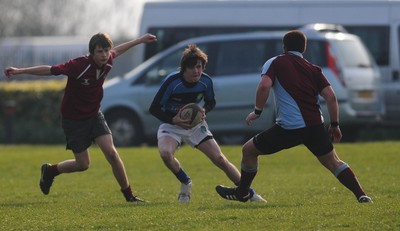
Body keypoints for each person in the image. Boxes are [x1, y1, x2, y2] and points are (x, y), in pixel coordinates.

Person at [215, 30, 373, 203]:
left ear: (284, 46)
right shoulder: (314, 69)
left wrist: (257, 112)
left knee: (248, 150)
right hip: (315, 127)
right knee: (333, 162)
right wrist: (334, 125)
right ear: (303, 49)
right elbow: (331, 96)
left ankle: (243, 192)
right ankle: (361, 195)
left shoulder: (275, 62)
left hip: (289, 128)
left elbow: (264, 86)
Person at [4, 32, 157, 203]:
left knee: (112, 154)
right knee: (83, 164)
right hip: (73, 119)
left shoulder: (108, 60)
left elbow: (119, 50)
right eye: (100, 51)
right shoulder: (78, 65)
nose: (105, 55)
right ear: (92, 53)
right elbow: (49, 69)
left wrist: (141, 40)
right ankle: (50, 171)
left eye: (106, 50)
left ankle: (130, 197)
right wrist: (19, 71)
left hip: (94, 115)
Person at [149, 44, 266, 203]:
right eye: (191, 67)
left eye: (199, 67)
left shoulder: (205, 81)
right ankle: (185, 182)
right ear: (184, 68)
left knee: (220, 159)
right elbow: (154, 108)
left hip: (196, 125)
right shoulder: (172, 81)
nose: (196, 71)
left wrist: (204, 110)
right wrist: (173, 119)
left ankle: (249, 193)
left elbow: (211, 102)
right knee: (165, 154)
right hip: (172, 125)